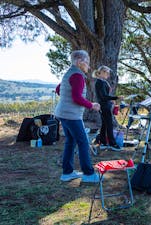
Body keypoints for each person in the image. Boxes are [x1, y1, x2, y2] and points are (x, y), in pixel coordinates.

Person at [54, 50, 101, 183]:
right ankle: (88, 174)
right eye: (87, 62)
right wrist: (92, 105)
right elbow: (76, 98)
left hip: (63, 113)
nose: (88, 66)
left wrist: (66, 99)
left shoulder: (70, 72)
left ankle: (67, 172)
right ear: (80, 62)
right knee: (83, 142)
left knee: (71, 141)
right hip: (71, 116)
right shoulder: (78, 76)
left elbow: (59, 89)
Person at [93, 65, 122, 151]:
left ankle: (103, 142)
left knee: (105, 125)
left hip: (106, 105)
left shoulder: (103, 81)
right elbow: (103, 97)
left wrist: (111, 100)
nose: (108, 75)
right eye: (107, 73)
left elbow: (105, 96)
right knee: (109, 125)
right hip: (103, 106)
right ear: (102, 72)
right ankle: (112, 144)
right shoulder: (99, 82)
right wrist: (116, 98)